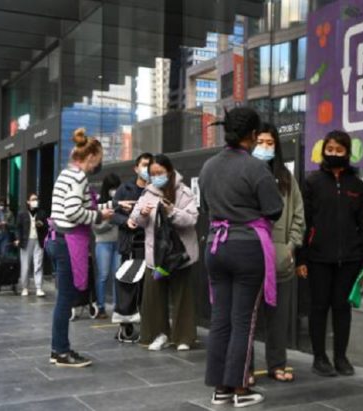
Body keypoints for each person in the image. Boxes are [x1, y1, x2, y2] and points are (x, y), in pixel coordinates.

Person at [199, 107, 283, 408]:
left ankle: (220, 387)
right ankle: (240, 389)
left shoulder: (208, 166)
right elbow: (274, 209)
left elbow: (205, 208)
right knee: (243, 321)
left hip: (215, 247)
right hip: (247, 247)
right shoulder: (256, 168)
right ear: (251, 135)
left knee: (220, 318)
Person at [296, 130, 363, 378]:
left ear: (347, 153)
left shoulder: (356, 185)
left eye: (339, 150)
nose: (334, 154)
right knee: (318, 308)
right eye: (330, 149)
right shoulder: (312, 182)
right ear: (323, 151)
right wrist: (301, 257)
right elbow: (304, 221)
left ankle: (341, 357)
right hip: (318, 258)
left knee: (342, 308)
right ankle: (320, 358)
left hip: (349, 259)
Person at [47, 127, 113, 368]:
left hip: (57, 239)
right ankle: (61, 351)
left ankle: (59, 349)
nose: (99, 164)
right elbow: (73, 211)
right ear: (91, 157)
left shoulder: (66, 174)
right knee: (65, 298)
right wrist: (98, 216)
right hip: (67, 241)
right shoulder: (78, 177)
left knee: (64, 297)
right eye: (99, 159)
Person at [248, 123, 305, 383]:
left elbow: (298, 216)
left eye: (270, 143)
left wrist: (290, 247)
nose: (265, 147)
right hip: (249, 257)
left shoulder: (285, 177)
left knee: (278, 318)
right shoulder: (244, 172)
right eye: (260, 141)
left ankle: (277, 364)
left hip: (280, 259)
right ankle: (244, 368)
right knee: (247, 317)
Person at [130, 154, 199, 352]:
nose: (156, 177)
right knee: (154, 297)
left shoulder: (184, 192)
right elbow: (135, 217)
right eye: (152, 173)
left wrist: (172, 212)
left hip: (179, 254)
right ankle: (159, 335)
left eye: (159, 173)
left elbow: (192, 219)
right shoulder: (147, 193)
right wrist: (142, 214)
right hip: (156, 255)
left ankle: (183, 337)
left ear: (169, 171)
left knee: (182, 295)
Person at [111, 153, 153, 259]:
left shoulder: (157, 190)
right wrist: (126, 221)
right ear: (136, 169)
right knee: (129, 274)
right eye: (144, 165)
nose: (147, 169)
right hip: (129, 244)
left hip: (152, 245)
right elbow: (113, 214)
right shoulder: (125, 189)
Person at [92, 173, 122, 318]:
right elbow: (95, 228)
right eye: (112, 188)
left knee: (117, 275)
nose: (114, 191)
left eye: (116, 187)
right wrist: (110, 222)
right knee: (103, 275)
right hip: (103, 242)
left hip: (118, 243)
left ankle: (117, 307)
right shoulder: (98, 202)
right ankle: (101, 306)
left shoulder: (120, 202)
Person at [15, 193, 49, 297]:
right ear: (28, 202)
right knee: (25, 265)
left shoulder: (41, 213)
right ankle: (25, 287)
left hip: (38, 240)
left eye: (36, 199)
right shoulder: (22, 214)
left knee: (38, 264)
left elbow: (47, 226)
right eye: (33, 199)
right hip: (26, 241)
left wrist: (42, 225)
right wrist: (17, 239)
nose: (35, 201)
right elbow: (18, 227)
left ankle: (39, 287)